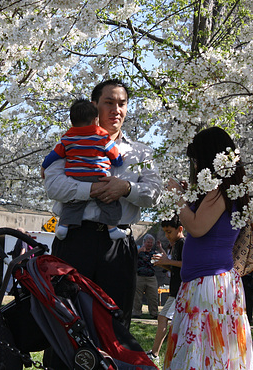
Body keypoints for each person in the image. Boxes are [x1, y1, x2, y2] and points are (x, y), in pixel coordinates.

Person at [43, 78, 163, 329]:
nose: (115, 110)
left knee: (115, 323)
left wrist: (126, 188)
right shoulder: (70, 141)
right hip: (75, 239)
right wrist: (93, 189)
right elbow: (53, 186)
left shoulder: (139, 153)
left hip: (118, 245)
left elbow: (154, 193)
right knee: (66, 318)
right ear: (94, 105)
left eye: (122, 104)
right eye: (108, 102)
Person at [164, 126, 253, 370]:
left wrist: (176, 197)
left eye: (196, 160)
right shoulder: (227, 190)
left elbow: (197, 227)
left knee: (203, 351)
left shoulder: (219, 191)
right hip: (210, 282)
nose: (194, 167)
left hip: (208, 285)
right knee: (214, 351)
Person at [41, 98, 125, 240]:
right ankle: (112, 228)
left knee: (72, 203)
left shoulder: (67, 137)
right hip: (98, 175)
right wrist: (118, 161)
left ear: (72, 121)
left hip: (75, 176)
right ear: (95, 120)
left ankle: (63, 227)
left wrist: (44, 166)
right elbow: (114, 155)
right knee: (108, 201)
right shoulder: (102, 136)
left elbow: (54, 155)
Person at [146, 218, 185, 366]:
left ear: (180, 229)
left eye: (169, 231)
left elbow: (187, 264)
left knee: (163, 318)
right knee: (168, 320)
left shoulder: (183, 243)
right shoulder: (175, 245)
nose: (167, 235)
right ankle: (159, 352)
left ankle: (155, 353)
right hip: (175, 291)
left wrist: (167, 261)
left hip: (181, 291)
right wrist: (164, 263)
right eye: (165, 232)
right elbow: (176, 267)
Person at [132, 234, 163, 319]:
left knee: (153, 296)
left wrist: (160, 247)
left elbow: (164, 257)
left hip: (151, 278)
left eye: (151, 242)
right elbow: (130, 257)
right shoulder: (138, 250)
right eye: (148, 242)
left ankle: (154, 313)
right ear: (144, 242)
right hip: (139, 277)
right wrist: (138, 251)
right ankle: (136, 313)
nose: (149, 244)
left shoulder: (154, 253)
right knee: (137, 297)